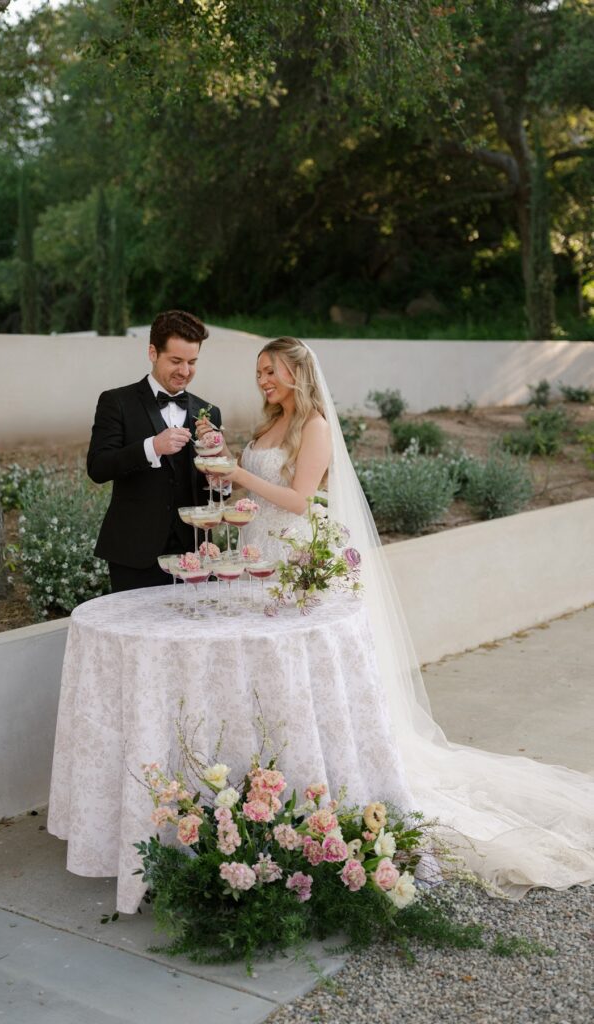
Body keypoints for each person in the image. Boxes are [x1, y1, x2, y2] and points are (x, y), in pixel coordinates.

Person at [198, 336, 594, 898]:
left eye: (271, 370)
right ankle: (262, 766)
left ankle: (306, 769)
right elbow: (255, 504)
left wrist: (239, 478)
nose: (261, 379)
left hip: (290, 562)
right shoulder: (265, 428)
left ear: (296, 372)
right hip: (255, 559)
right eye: (258, 370)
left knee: (293, 668)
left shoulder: (313, 427)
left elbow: (297, 497)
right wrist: (225, 506)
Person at [88, 310, 223, 591]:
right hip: (135, 553)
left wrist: (220, 479)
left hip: (195, 552)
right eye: (176, 361)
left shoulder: (208, 412)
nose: (185, 371)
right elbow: (98, 467)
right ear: (152, 352)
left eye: (192, 362)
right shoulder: (116, 402)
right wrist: (152, 447)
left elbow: (211, 488)